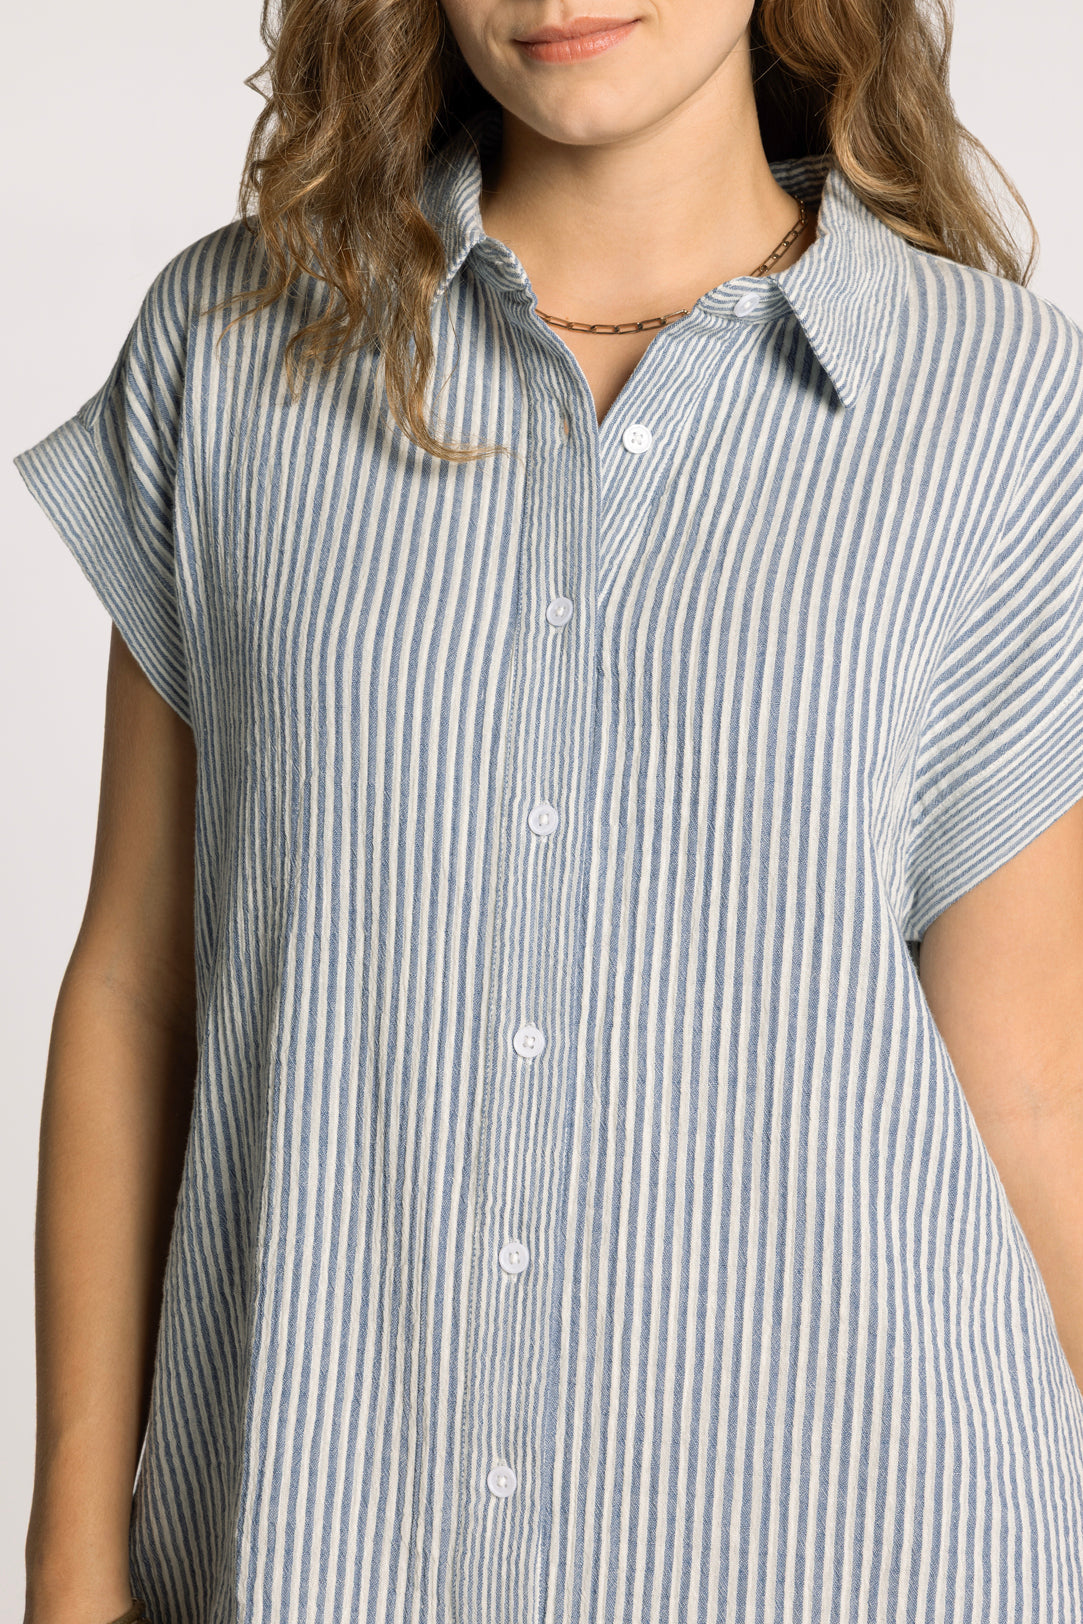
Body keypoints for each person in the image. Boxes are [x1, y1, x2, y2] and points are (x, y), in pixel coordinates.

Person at [12, 0, 1083, 1615]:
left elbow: (1033, 1091)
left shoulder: (999, 408)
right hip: (329, 1544)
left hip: (869, 1546)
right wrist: (71, 1552)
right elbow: (139, 991)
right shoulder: (231, 351)